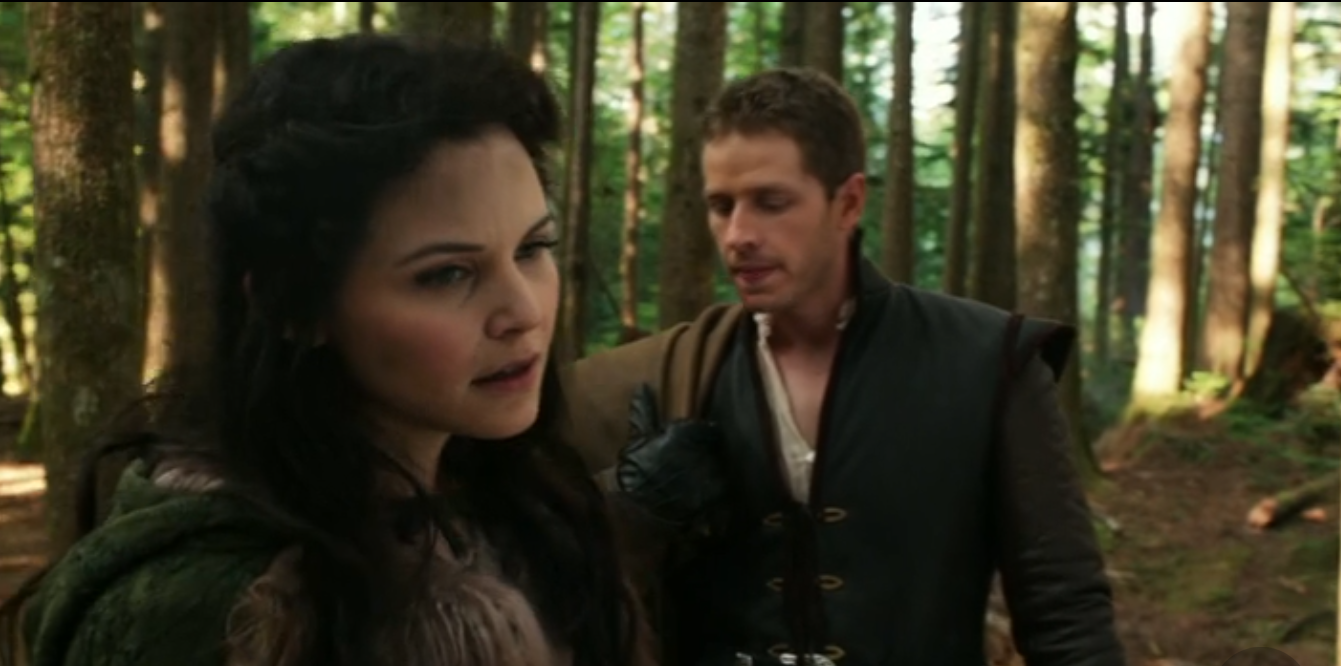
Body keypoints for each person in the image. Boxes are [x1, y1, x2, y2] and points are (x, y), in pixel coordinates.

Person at [0, 36, 658, 666]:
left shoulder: (527, 509)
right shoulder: (207, 609)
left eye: (533, 248)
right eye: (448, 274)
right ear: (295, 305)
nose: (524, 312)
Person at [564, 68, 1126, 666]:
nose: (738, 235)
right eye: (721, 206)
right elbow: (515, 551)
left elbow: (1067, 616)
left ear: (849, 202)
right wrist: (628, 511)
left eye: (771, 202)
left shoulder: (988, 361)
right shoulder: (671, 374)